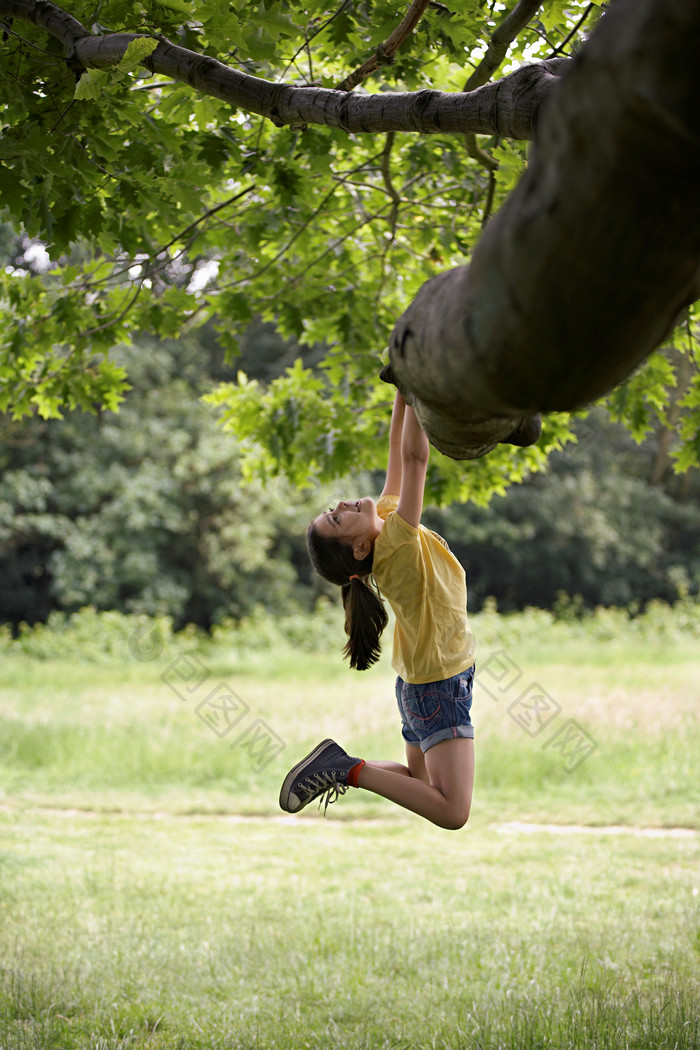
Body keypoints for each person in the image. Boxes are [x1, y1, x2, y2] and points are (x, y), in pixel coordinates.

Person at [279, 390, 476, 830]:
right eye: (336, 519)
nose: (342, 505)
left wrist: (403, 393)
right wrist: (425, 392)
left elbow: (395, 449)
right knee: (451, 810)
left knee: (418, 782)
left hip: (419, 684)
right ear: (361, 547)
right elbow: (414, 459)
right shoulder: (397, 547)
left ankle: (341, 765)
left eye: (332, 510)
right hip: (438, 686)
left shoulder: (384, 523)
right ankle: (348, 769)